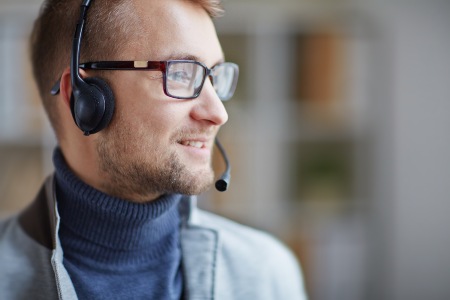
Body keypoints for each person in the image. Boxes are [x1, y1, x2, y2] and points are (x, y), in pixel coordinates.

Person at [0, 0, 307, 299]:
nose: (219, 113)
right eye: (180, 73)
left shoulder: (267, 273)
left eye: (214, 76)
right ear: (84, 100)